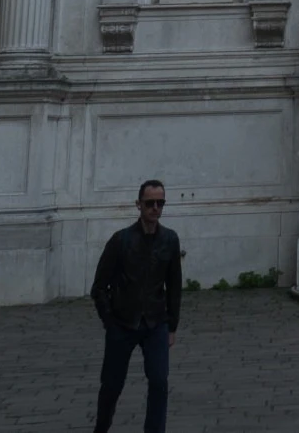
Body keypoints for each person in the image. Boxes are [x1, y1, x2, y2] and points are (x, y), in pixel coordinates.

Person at [91, 180, 182, 433]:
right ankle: (101, 428)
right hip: (122, 322)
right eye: (150, 203)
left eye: (160, 203)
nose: (155, 208)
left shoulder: (170, 240)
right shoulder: (120, 240)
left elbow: (174, 286)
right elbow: (99, 287)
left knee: (159, 381)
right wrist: (109, 322)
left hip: (155, 322)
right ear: (138, 205)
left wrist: (172, 325)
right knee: (111, 385)